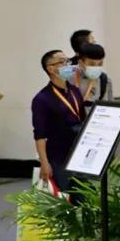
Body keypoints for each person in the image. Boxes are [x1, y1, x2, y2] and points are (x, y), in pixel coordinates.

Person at [32, 50, 85, 196]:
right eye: (63, 61)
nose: (68, 64)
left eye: (68, 61)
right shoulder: (42, 99)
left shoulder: (75, 91)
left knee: (83, 196)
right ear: (51, 69)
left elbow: (82, 120)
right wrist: (44, 162)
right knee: (64, 197)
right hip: (58, 156)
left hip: (79, 154)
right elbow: (39, 135)